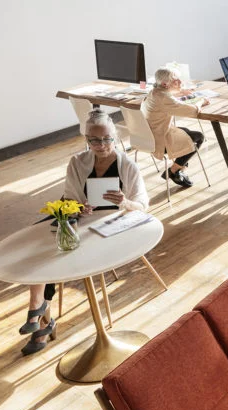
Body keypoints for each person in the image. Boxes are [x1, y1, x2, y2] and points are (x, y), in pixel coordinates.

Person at [17, 111, 149, 356]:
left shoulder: (128, 166)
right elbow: (69, 198)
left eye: (107, 139)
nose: (101, 145)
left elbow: (142, 205)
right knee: (38, 244)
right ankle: (37, 310)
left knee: (55, 249)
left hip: (112, 223)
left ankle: (41, 320)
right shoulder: (77, 162)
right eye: (94, 140)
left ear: (116, 137)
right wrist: (80, 206)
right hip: (79, 217)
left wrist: (125, 202)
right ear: (86, 139)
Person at [141, 67, 208, 189]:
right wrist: (201, 101)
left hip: (149, 135)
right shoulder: (164, 98)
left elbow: (167, 98)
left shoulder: (154, 92)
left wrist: (180, 92)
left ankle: (179, 169)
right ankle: (174, 171)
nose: (180, 82)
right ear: (165, 84)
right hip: (158, 140)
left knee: (186, 132)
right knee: (198, 137)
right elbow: (191, 111)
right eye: (176, 81)